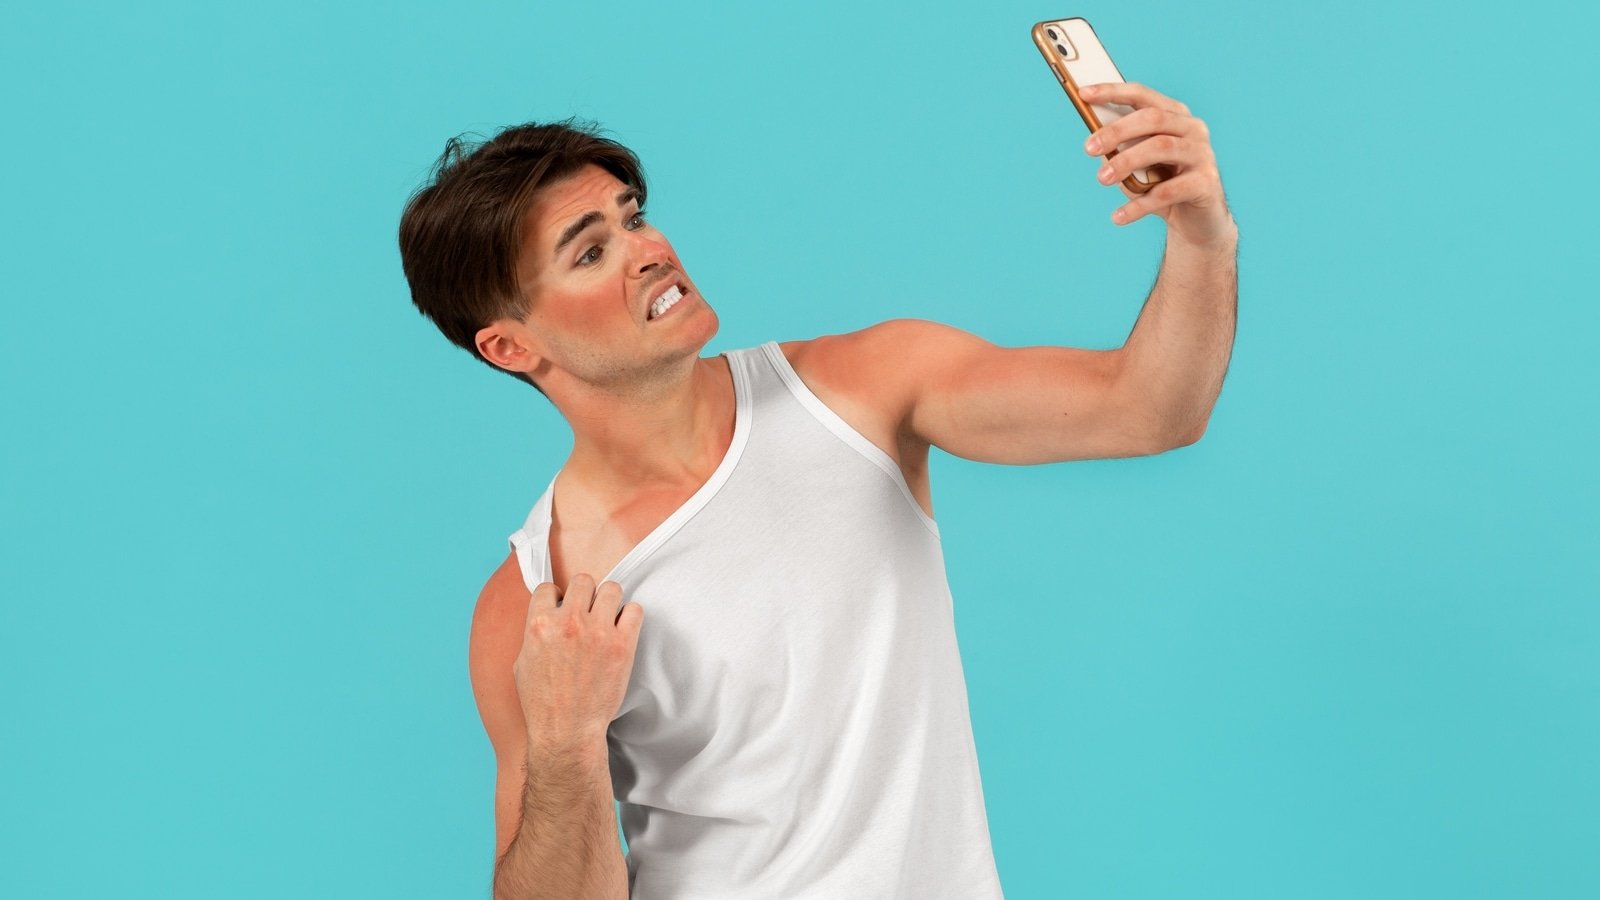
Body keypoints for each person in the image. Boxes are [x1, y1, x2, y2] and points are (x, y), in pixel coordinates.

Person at [398, 80, 1236, 900]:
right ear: (510, 347)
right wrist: (566, 741)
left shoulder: (861, 390)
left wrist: (1202, 236)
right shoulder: (534, 604)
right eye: (590, 252)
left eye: (634, 217)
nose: (649, 251)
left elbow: (1150, 409)